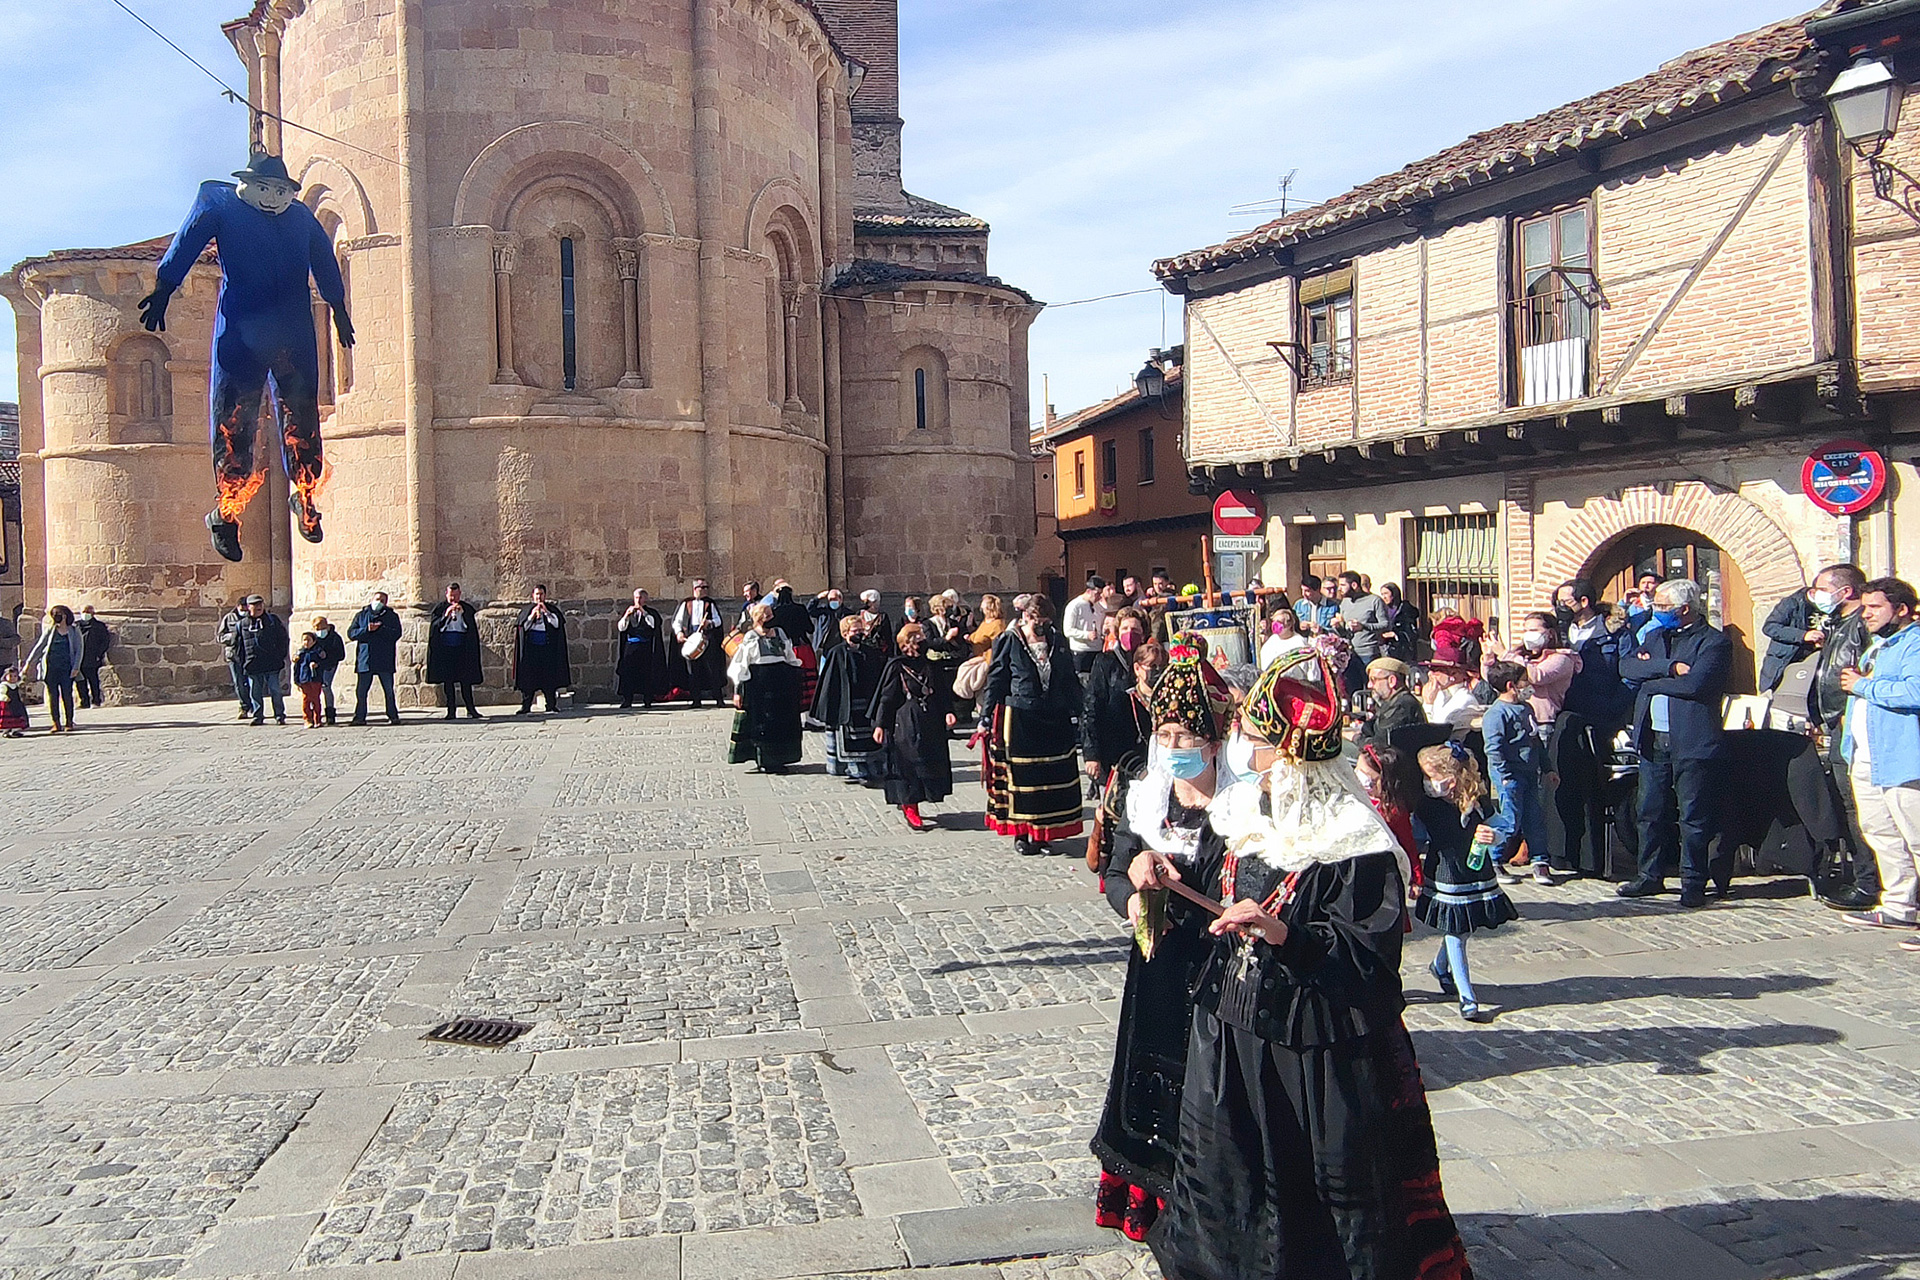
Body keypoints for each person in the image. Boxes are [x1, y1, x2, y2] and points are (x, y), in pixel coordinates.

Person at [1131, 648, 1471, 1280]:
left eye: (1255, 741)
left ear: (1287, 756)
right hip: (1231, 1032)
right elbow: (1208, 889)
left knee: (1316, 1189)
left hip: (1315, 1048)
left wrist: (1285, 932)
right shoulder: (1239, 816)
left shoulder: (1354, 844)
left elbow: (1370, 959)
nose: (1243, 752)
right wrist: (1160, 878)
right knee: (1226, 1173)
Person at [141, 152, 354, 560]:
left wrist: (339, 309)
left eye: (279, 191)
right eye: (264, 190)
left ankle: (306, 499)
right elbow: (188, 239)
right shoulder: (220, 203)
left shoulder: (301, 220)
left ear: (288, 192)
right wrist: (165, 287)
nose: (272, 199)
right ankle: (226, 513)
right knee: (234, 420)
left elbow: (325, 262)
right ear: (246, 187)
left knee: (302, 416)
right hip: (241, 332)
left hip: (292, 333)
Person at [1090, 649, 1231, 1243]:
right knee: (1147, 1070)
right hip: (1155, 962)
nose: (1174, 743)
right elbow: (1115, 872)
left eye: (1187, 734)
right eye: (1166, 732)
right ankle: (1138, 1187)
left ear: (1214, 740)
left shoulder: (1240, 803)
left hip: (1216, 964)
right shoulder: (1145, 795)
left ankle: (1198, 1199)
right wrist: (1132, 891)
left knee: (1206, 1081)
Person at [1618, 579, 1733, 906]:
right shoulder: (1656, 636)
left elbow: (1697, 684)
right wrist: (1667, 668)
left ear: (1685, 609)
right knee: (1649, 810)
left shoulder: (1713, 642)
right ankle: (1649, 875)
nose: (1657, 611)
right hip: (1653, 738)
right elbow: (1626, 666)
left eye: (1664, 607)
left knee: (1693, 816)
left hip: (1691, 740)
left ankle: (1693, 881)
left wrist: (1651, 681)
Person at [1837, 577, 1920, 948]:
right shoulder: (1879, 647)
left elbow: (1915, 691)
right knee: (1881, 834)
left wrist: (1862, 686)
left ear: (1900, 610)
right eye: (1865, 606)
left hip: (1902, 757)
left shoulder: (1914, 643)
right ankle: (1900, 906)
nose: (1865, 613)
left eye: (1874, 607)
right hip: (1867, 757)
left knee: (1916, 837)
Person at [1415, 743, 1518, 1021]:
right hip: (1446, 870)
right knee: (1455, 931)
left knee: (1462, 928)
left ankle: (1439, 965)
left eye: (1432, 777)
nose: (1428, 783)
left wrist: (1493, 837)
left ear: (1450, 777)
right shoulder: (1427, 803)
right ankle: (1467, 996)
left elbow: (1502, 825)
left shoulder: (1477, 799)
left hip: (1474, 868)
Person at [980, 595, 1085, 856]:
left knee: (1050, 777)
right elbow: (996, 679)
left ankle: (1043, 834)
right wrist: (985, 716)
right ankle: (1022, 833)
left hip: (1053, 714)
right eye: (1038, 620)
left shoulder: (1057, 640)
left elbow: (1069, 678)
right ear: (1026, 616)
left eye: (1047, 621)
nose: (1042, 626)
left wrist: (1083, 711)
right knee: (1024, 778)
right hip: (1021, 716)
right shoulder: (1010, 639)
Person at [1809, 565, 1879, 910]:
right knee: (1848, 804)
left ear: (1845, 591)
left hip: (1852, 725)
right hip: (1836, 724)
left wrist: (1840, 716)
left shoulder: (1861, 626)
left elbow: (1863, 672)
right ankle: (1863, 876)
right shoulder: (1836, 626)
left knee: (1859, 805)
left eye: (1821, 588)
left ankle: (1870, 881)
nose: (1816, 596)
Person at [1554, 581, 1630, 879]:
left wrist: (1613, 710)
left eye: (1566, 601)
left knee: (1594, 789)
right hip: (1565, 716)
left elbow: (1628, 675)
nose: (1560, 607)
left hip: (1600, 717)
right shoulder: (1560, 633)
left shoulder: (1614, 633)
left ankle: (1594, 860)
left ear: (1584, 601)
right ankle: (1564, 854)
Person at [872, 622, 956, 829]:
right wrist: (881, 725)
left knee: (929, 761)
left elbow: (942, 692)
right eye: (919, 637)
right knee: (907, 763)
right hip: (906, 721)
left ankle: (923, 797)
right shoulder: (897, 666)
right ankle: (910, 805)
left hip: (930, 720)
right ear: (909, 642)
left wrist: (948, 712)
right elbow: (887, 698)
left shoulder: (931, 665)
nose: (923, 640)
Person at [1482, 659, 1554, 887]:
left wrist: (1547, 767)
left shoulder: (1526, 709)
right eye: (1525, 681)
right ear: (1512, 685)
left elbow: (1535, 741)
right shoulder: (1496, 714)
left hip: (1530, 772)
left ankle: (1540, 860)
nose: (1528, 685)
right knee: (1510, 820)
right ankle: (1492, 859)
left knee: (1534, 817)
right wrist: (1504, 774)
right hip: (1510, 775)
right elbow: (1493, 748)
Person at [728, 602, 804, 774]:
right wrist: (738, 691)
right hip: (759, 685)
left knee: (781, 722)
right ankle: (764, 760)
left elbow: (789, 655)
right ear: (759, 618)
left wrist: (795, 671)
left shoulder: (780, 633)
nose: (771, 618)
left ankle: (781, 758)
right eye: (768, 615)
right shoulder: (751, 637)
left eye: (771, 614)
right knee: (762, 724)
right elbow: (741, 664)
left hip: (781, 682)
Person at [1081, 608, 1153, 788]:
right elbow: (1091, 707)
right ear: (1118, 632)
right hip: (1112, 748)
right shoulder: (1105, 662)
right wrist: (1092, 754)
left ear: (1144, 634)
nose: (1130, 634)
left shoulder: (1152, 663)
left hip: (1146, 748)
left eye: (1135, 630)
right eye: (1125, 629)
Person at [816, 615, 885, 782]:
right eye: (856, 631)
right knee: (850, 738)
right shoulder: (837, 653)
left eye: (861, 630)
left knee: (867, 737)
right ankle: (853, 768)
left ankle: (871, 767)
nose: (859, 634)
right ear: (846, 633)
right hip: (846, 703)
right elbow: (830, 681)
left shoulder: (870, 652)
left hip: (866, 702)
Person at [1498, 612, 1581, 725]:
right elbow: (1498, 678)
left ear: (1550, 633)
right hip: (1518, 717)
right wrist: (1489, 661)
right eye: (1525, 631)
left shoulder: (1561, 658)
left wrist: (1505, 654)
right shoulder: (1522, 657)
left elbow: (1537, 676)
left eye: (1533, 630)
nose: (1527, 635)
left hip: (1542, 722)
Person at [428, 583, 485, 721]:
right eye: (450, 596)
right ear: (446, 594)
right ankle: (451, 710)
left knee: (466, 681)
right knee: (448, 682)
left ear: (460, 594)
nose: (453, 599)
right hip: (446, 650)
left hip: (462, 649)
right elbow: (436, 628)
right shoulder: (440, 609)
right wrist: (446, 616)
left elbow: (469, 629)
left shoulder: (466, 609)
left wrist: (463, 616)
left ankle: (470, 709)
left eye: (455, 596)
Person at [513, 585, 571, 714]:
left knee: (549, 678)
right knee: (529, 679)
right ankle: (526, 705)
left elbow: (556, 624)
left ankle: (550, 704)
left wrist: (547, 613)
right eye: (537, 594)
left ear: (545, 595)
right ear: (533, 596)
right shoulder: (527, 610)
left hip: (547, 649)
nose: (539, 597)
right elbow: (524, 627)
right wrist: (532, 616)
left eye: (541, 594)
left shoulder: (551, 610)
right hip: (532, 651)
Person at [23, 606, 81, 734]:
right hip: (51, 669)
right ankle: (55, 723)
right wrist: (28, 664)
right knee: (52, 696)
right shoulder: (50, 631)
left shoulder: (73, 631)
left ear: (65, 615)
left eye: (58, 614)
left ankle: (69, 722)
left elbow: (79, 650)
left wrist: (76, 667)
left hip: (67, 669)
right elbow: (39, 647)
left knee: (67, 695)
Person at [347, 592, 403, 725]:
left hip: (384, 658)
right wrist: (367, 629)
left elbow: (396, 633)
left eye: (382, 600)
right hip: (365, 659)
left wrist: (381, 628)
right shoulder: (361, 615)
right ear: (372, 600)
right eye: (377, 599)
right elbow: (352, 633)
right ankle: (359, 717)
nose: (379, 602)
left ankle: (393, 716)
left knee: (388, 690)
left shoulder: (391, 616)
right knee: (361, 691)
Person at [1759, 583, 1826, 693]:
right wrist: (1803, 635)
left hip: (1815, 663)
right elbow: (1770, 627)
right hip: (1785, 661)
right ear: (1814, 591)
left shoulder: (1834, 607)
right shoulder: (1792, 603)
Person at [671, 580, 728, 707]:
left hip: (707, 640)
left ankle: (718, 698)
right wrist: (679, 633)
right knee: (693, 670)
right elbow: (677, 621)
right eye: (702, 587)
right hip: (691, 639)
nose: (705, 590)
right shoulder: (686, 604)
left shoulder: (710, 604)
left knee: (713, 669)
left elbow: (718, 621)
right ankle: (696, 700)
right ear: (695, 588)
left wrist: (709, 623)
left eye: (706, 587)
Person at [236, 595, 290, 726]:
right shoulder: (242, 624)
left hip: (271, 663)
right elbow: (238, 645)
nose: (258, 607)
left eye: (260, 604)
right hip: (252, 664)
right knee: (255, 692)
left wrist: (279, 656)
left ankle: (279, 715)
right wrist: (243, 661)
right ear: (249, 607)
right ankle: (257, 716)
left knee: (275, 690)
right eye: (255, 604)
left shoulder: (272, 621)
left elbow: (283, 639)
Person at [1334, 570, 1391, 685]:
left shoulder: (1374, 601)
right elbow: (1345, 631)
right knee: (1351, 689)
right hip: (1349, 655)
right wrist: (1338, 626)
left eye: (1343, 585)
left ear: (1354, 585)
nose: (1339, 589)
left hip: (1368, 653)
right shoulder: (1344, 602)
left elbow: (1386, 624)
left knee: (1369, 687)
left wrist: (1363, 626)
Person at [1357, 656, 1425, 752]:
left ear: (1391, 681)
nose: (1369, 685)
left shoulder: (1402, 706)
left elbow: (1381, 745)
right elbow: (1372, 727)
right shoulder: (1391, 702)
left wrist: (1356, 738)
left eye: (1374, 680)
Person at [615, 588, 667, 710]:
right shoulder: (629, 612)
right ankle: (627, 699)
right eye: (636, 598)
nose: (637, 600)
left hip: (645, 648)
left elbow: (653, 624)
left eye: (640, 598)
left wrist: (643, 611)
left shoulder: (651, 613)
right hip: (630, 648)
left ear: (645, 599)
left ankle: (647, 699)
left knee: (646, 674)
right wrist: (626, 616)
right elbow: (621, 628)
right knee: (628, 674)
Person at [1424, 633, 1482, 729]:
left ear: (1454, 674)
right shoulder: (1439, 695)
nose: (1430, 674)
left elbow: (1438, 732)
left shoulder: (1465, 700)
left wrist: (1428, 704)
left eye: (1437, 670)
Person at [217, 597, 255, 720]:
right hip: (234, 655)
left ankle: (254, 706)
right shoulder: (229, 618)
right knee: (239, 682)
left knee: (252, 682)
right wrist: (233, 636)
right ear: (238, 606)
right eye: (242, 608)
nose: (245, 610)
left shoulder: (252, 617)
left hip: (249, 654)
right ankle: (244, 706)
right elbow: (220, 637)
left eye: (247, 607)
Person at [1064, 577, 1108, 675]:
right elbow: (1067, 630)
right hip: (1081, 651)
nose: (1099, 597)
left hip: (1098, 649)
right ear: (1088, 591)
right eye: (1097, 594)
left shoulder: (1099, 606)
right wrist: (1086, 635)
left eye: (1101, 594)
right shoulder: (1074, 606)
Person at [74, 605, 112, 709]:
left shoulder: (99, 626)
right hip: (79, 658)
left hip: (92, 657)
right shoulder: (76, 626)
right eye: (84, 611)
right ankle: (84, 701)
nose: (85, 614)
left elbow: (104, 641)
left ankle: (96, 701)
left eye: (88, 612)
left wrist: (99, 654)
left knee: (93, 680)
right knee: (80, 681)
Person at [309, 614, 345, 725]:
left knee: (326, 687)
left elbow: (340, 654)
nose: (320, 631)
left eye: (321, 628)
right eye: (317, 629)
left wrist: (327, 658)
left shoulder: (334, 637)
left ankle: (330, 714)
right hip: (316, 666)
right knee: (313, 689)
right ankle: (314, 714)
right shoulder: (314, 638)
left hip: (329, 666)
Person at [1379, 582, 1422, 664]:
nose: (1384, 597)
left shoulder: (1406, 611)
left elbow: (1412, 633)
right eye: (1382, 594)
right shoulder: (1382, 610)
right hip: (1386, 650)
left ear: (1394, 594)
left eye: (1386, 593)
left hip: (1403, 651)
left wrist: (1395, 634)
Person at [293, 630, 328, 727]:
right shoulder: (300, 653)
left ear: (314, 641)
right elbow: (296, 668)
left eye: (308, 640)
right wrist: (296, 680)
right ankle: (307, 719)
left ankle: (317, 719)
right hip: (304, 679)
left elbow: (324, 663)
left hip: (315, 679)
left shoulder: (318, 652)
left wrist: (317, 665)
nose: (306, 642)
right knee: (306, 700)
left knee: (316, 699)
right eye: (304, 640)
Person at [808, 588, 849, 656]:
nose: (832, 601)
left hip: (839, 647)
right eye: (830, 600)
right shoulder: (824, 612)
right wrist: (817, 598)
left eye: (834, 599)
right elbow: (810, 611)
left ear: (840, 599)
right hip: (824, 647)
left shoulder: (846, 613)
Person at [857, 589, 896, 658]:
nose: (875, 605)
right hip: (863, 651)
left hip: (879, 652)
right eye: (872, 602)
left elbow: (888, 636)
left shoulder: (883, 617)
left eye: (876, 602)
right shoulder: (859, 615)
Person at [969, 594, 1006, 659]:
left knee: (965, 669)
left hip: (987, 659)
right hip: (976, 655)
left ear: (989, 608)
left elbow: (998, 646)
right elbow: (977, 636)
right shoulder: (985, 622)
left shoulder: (997, 625)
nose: (981, 609)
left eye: (982, 608)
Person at [0, 665, 28, 737]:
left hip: (17, 704)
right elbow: (1, 693)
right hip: (8, 705)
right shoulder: (4, 685)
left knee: (18, 717)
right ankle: (6, 731)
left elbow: (21, 685)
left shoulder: (16, 685)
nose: (13, 678)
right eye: (10, 676)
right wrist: (4, 697)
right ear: (5, 676)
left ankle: (15, 730)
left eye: (15, 676)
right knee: (8, 718)